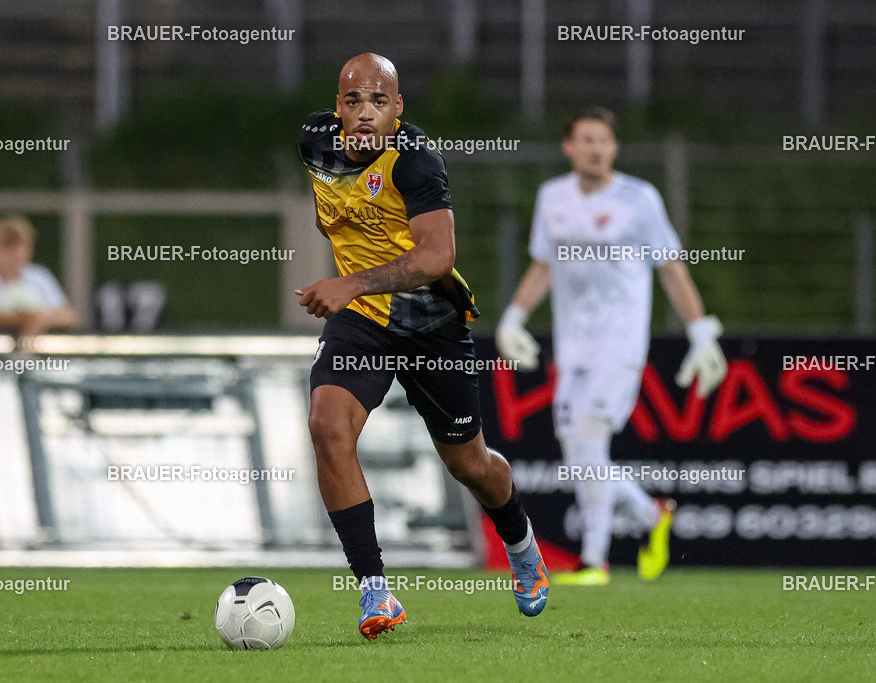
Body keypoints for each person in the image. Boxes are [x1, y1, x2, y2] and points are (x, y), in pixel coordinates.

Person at [296, 53, 549, 639]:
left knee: (470, 464)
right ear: (337, 107)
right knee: (326, 425)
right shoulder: (313, 141)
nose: (364, 114)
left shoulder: (416, 162)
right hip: (362, 322)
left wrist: (351, 279)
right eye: (353, 101)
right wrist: (351, 277)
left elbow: (438, 257)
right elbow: (332, 211)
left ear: (398, 108)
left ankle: (522, 544)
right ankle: (375, 592)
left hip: (432, 325)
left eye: (378, 102)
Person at [496, 106, 728, 586]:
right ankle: (651, 514)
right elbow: (544, 263)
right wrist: (514, 318)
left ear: (614, 148)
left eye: (604, 140)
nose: (596, 148)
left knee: (589, 439)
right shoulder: (552, 197)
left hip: (620, 342)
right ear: (569, 147)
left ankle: (594, 561)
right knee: (581, 454)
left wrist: (701, 332)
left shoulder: (639, 199)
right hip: (573, 344)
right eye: (586, 140)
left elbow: (671, 267)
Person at [0, 215, 77, 336]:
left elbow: (68, 316)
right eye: (7, 246)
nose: (13, 253)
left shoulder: (39, 276)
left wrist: (38, 319)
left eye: (18, 246)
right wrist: (28, 319)